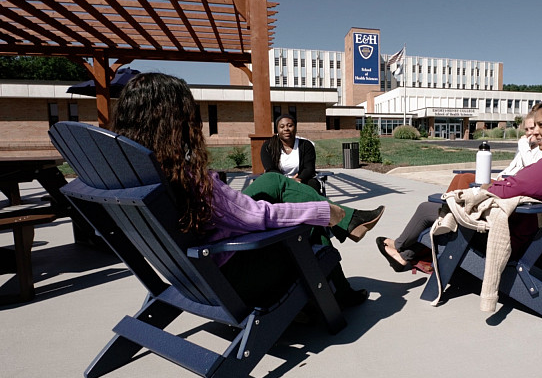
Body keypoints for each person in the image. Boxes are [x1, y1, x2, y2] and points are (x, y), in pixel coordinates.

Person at [110, 72, 383, 307]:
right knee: (310, 225)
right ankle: (338, 277)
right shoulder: (185, 178)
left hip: (194, 270)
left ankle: (350, 221)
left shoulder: (129, 174)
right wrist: (325, 211)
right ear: (175, 123)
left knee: (272, 181)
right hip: (234, 270)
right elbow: (256, 217)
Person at [376, 98, 542, 272]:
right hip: (523, 230)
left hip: (504, 236)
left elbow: (508, 189)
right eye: (534, 125)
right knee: (443, 210)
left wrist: (482, 189)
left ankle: (399, 247)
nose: (535, 131)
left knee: (427, 209)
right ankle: (405, 255)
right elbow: (517, 185)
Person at [444, 111, 542, 192]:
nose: (529, 133)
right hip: (503, 182)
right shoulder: (525, 147)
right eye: (526, 129)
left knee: (466, 178)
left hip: (512, 186)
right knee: (459, 177)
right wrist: (500, 176)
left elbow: (532, 169)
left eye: (532, 128)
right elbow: (510, 168)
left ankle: (453, 214)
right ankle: (447, 211)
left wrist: (523, 145)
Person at [261, 114, 323, 193]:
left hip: (302, 179)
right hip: (277, 180)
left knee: (313, 184)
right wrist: (286, 180)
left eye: (290, 126)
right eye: (282, 126)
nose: (286, 129)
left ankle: (312, 205)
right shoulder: (268, 146)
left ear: (295, 128)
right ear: (277, 129)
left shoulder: (306, 145)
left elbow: (309, 168)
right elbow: (270, 169)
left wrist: (299, 179)